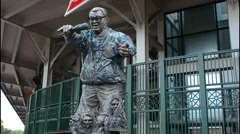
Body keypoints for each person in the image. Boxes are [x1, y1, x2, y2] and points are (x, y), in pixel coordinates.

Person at [58, 7, 136, 133]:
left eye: (98, 18)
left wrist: (127, 50)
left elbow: (130, 47)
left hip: (111, 87)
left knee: (109, 122)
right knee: (82, 122)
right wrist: (69, 34)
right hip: (89, 87)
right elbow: (76, 42)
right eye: (91, 19)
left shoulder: (117, 36)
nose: (94, 21)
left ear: (106, 19)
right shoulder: (86, 36)